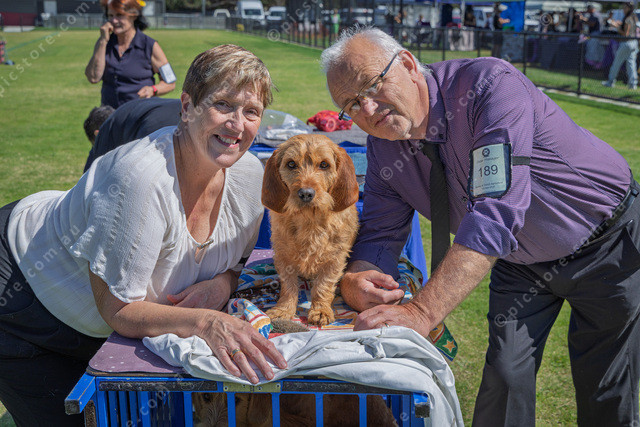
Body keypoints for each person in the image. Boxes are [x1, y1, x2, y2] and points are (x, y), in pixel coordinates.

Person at [321, 27, 640, 425]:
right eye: (351, 104)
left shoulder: (490, 86)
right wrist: (357, 277)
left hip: (606, 242)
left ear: (407, 63)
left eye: (372, 86)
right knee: (504, 377)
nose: (367, 109)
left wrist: (422, 311)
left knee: (605, 387)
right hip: (518, 259)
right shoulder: (384, 145)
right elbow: (380, 233)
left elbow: (495, 213)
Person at [0, 44, 287, 426]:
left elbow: (237, 265)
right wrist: (205, 322)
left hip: (101, 324)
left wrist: (222, 283)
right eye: (223, 105)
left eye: (251, 111)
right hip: (21, 297)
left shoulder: (249, 177)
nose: (237, 124)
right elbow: (118, 310)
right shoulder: (139, 179)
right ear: (187, 106)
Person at [85, 0, 176, 108]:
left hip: (139, 113)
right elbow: (93, 78)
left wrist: (153, 90)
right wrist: (103, 41)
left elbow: (170, 82)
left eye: (119, 15)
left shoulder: (149, 45)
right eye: (110, 15)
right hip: (110, 114)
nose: (114, 20)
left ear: (134, 15)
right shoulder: (104, 43)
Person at [84, 97, 181, 171]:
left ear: (97, 134)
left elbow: (94, 175)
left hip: (155, 125)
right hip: (184, 110)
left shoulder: (104, 133)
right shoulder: (125, 113)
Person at [601, 2, 638, 90]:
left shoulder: (628, 18)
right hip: (633, 43)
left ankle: (610, 82)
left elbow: (625, 34)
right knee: (631, 65)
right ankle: (633, 85)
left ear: (629, 9)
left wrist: (616, 27)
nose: (623, 9)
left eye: (625, 8)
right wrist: (618, 24)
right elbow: (627, 28)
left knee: (616, 63)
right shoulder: (634, 18)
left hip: (626, 43)